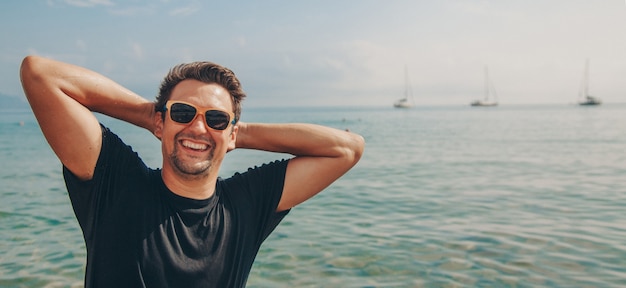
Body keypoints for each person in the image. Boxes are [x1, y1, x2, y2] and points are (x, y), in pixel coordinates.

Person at [20, 55, 365, 287]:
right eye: (184, 112)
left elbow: (347, 149)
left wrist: (234, 133)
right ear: (159, 121)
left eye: (214, 118)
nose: (198, 128)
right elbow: (40, 74)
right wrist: (154, 116)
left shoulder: (244, 206)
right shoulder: (116, 183)